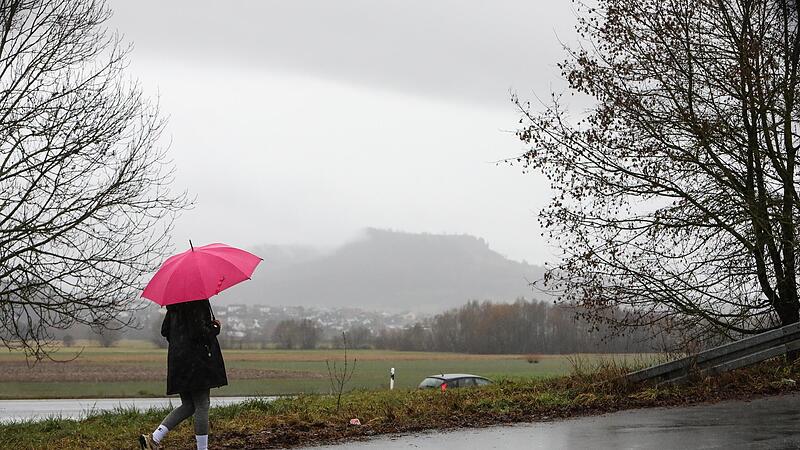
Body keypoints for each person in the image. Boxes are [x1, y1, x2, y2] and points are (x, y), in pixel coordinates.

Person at [140, 299, 228, 450]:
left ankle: (154, 438)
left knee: (188, 405)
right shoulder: (198, 302)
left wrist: (181, 343)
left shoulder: (174, 305)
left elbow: (165, 330)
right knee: (202, 404)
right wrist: (214, 327)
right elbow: (200, 333)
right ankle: (202, 448)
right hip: (196, 363)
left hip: (178, 361)